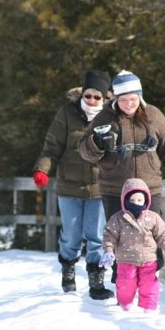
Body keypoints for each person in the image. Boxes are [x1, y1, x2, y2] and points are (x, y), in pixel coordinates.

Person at [78, 69, 165, 280]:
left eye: (132, 99)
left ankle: (148, 278)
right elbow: (84, 151)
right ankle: (123, 281)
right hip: (115, 189)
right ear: (115, 98)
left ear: (139, 97)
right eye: (123, 100)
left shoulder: (154, 116)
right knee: (120, 238)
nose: (128, 104)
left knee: (151, 237)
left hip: (148, 188)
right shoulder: (105, 117)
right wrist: (96, 143)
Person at [33, 70, 115, 299]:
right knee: (71, 234)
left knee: (97, 235)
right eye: (88, 95)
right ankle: (68, 269)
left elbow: (120, 151)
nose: (92, 101)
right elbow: (52, 146)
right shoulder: (67, 114)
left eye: (97, 97)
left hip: (100, 188)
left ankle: (96, 282)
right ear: (82, 94)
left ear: (105, 98)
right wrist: (42, 169)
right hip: (69, 186)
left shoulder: (111, 117)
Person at [99, 178, 165, 312]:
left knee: (149, 284)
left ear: (146, 201)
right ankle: (125, 304)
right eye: (132, 200)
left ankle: (149, 307)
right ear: (125, 200)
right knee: (125, 283)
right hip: (125, 260)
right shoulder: (118, 218)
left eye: (139, 200)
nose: (136, 204)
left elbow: (162, 234)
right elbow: (109, 235)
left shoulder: (153, 218)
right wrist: (108, 251)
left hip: (148, 260)